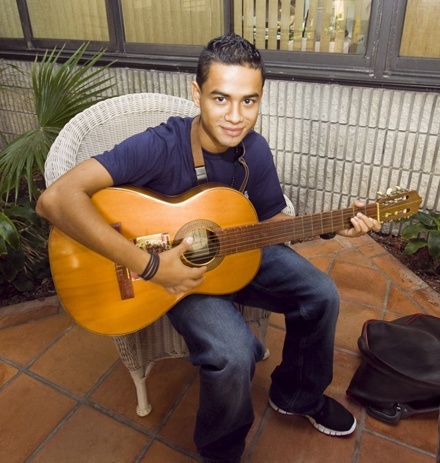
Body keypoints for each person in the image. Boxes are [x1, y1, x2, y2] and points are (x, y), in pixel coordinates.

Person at [36, 33, 381, 463]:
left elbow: (272, 222)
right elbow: (54, 200)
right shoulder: (159, 145)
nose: (236, 117)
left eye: (249, 101)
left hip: (238, 254)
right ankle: (220, 452)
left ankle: (298, 395)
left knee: (321, 292)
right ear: (196, 93)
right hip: (168, 277)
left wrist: (333, 226)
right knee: (233, 353)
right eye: (221, 98)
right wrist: (149, 265)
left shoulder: (255, 149)